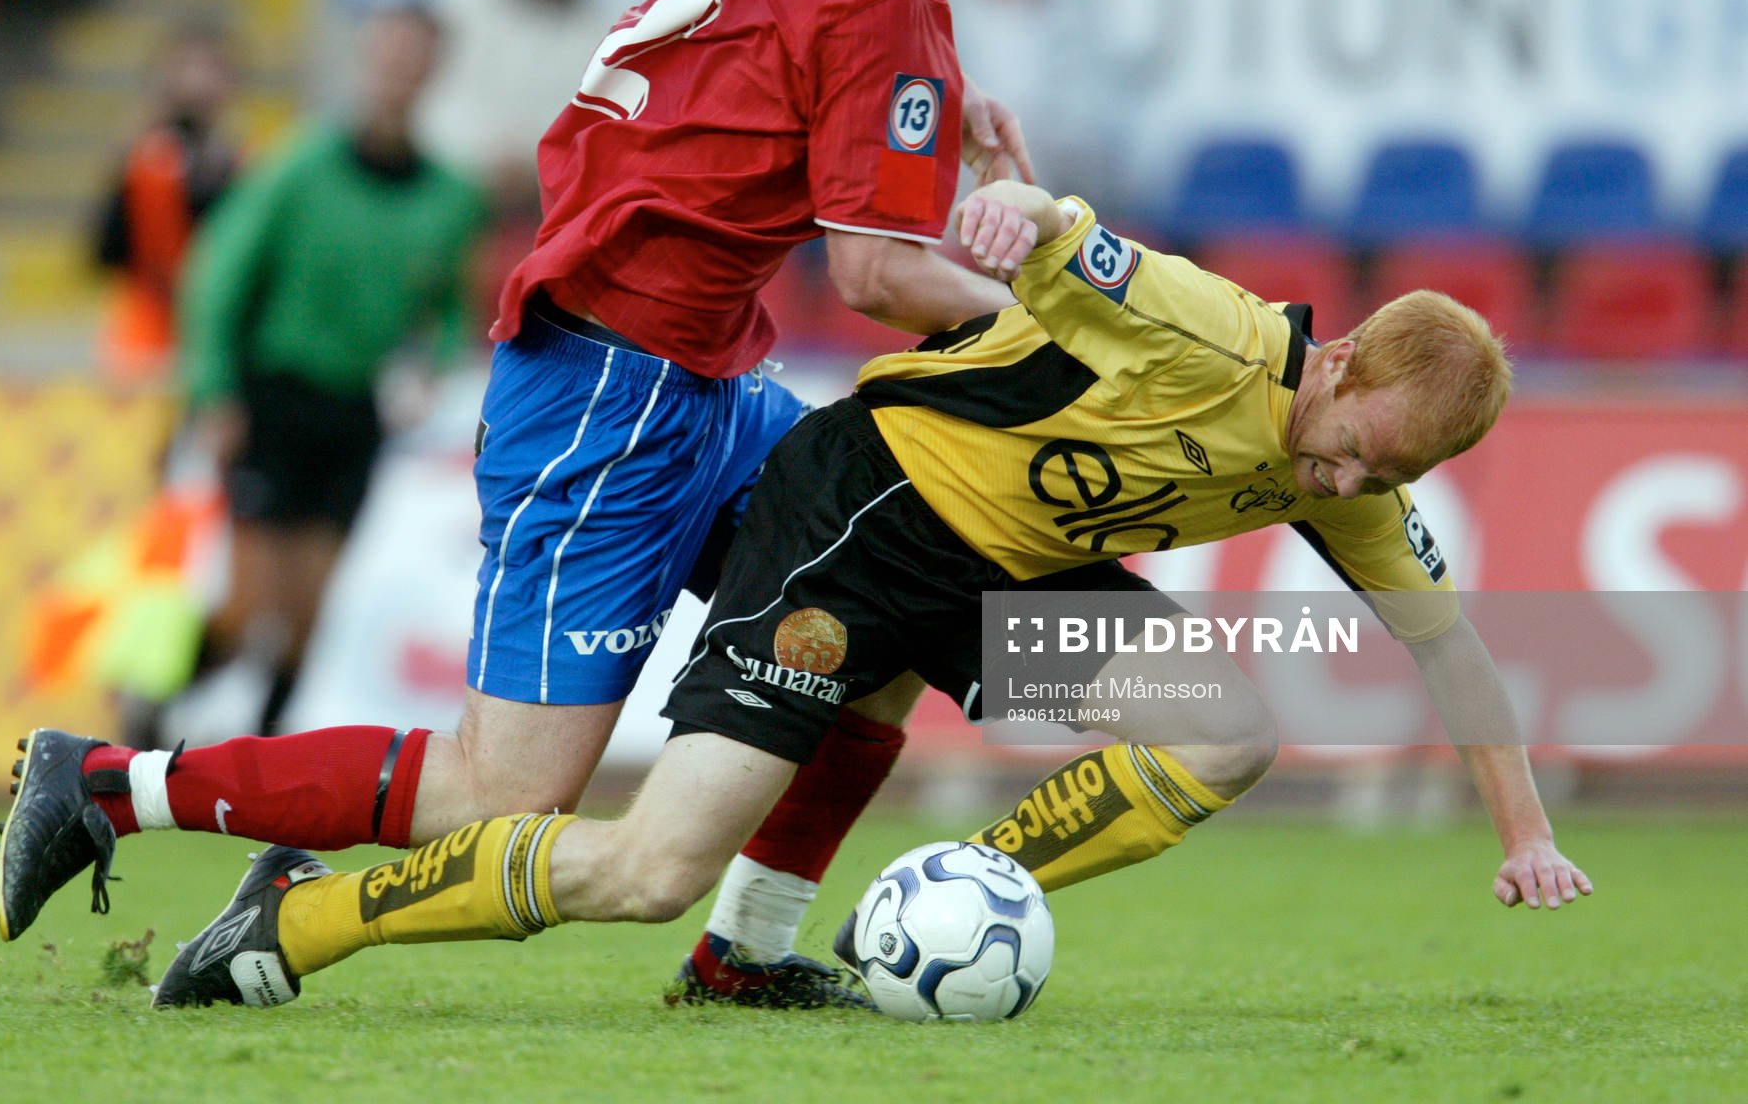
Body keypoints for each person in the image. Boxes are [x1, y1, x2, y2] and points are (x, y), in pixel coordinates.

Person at [0, 0, 1051, 1009]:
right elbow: (874, 276)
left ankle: (742, 950)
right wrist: (1052, 325)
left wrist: (908, 125)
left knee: (880, 611)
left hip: (699, 372)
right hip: (609, 401)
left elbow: (761, 79)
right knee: (501, 796)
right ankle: (110, 783)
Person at [136, 178, 1592, 1009]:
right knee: (645, 871)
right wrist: (1013, 203)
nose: (1343, 491)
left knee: (1223, 729)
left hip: (996, 572)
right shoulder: (1205, 335)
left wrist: (1523, 839)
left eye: (1372, 482)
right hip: (865, 506)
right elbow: (1068, 239)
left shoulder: (1362, 486)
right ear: (1334, 364)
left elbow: (1454, 657)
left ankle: (926, 903)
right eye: (1350, 455)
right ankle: (299, 924)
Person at [174, 5, 489, 740]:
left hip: (354, 410)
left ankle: (260, 758)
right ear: (366, 57)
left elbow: (451, 308)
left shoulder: (451, 197)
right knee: (252, 605)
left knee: (311, 612)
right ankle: (154, 705)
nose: (399, 69)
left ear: (433, 70)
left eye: (416, 56)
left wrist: (432, 367)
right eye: (390, 52)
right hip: (275, 394)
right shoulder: (298, 167)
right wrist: (215, 391)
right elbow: (218, 276)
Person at [91, 21, 242, 386]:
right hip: (147, 346)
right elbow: (104, 250)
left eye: (210, 70)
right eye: (185, 69)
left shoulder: (240, 164)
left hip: (216, 344)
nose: (197, 84)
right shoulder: (145, 162)